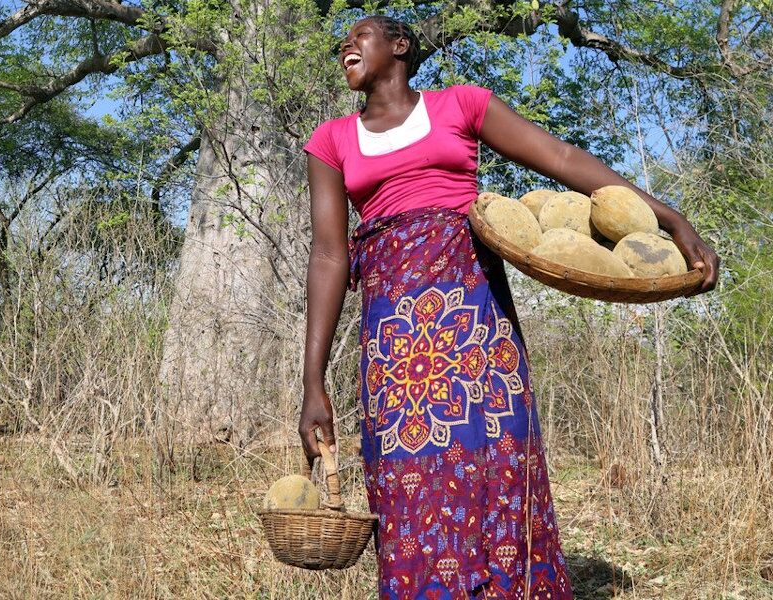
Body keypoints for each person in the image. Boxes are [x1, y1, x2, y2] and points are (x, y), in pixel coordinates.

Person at [298, 15, 718, 600]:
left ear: (400, 46)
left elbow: (563, 159)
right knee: (405, 481)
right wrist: (312, 380)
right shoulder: (332, 140)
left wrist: (666, 215)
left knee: (495, 463)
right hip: (396, 343)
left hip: (476, 321)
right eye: (344, 39)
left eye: (360, 34)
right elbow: (327, 255)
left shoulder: (461, 105)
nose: (347, 44)